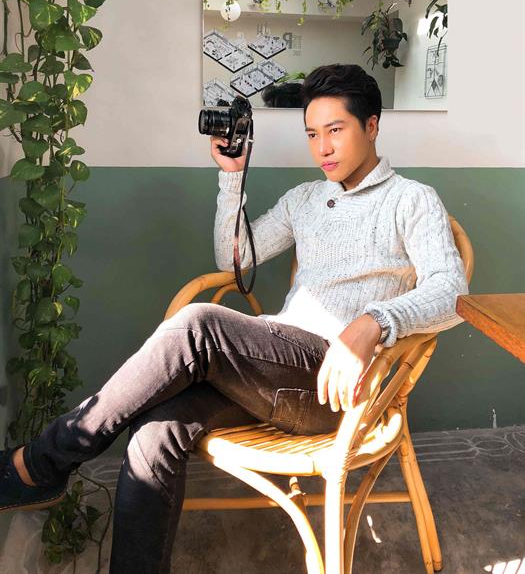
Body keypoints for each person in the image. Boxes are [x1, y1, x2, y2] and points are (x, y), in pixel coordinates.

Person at [0, 64, 468, 572]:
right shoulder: (306, 199)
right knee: (155, 430)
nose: (323, 148)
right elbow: (234, 258)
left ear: (371, 126)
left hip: (336, 389)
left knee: (199, 324)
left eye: (335, 130)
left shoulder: (411, 199)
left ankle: (42, 461)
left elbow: (452, 293)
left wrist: (373, 320)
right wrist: (231, 177)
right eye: (312, 134)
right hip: (274, 370)